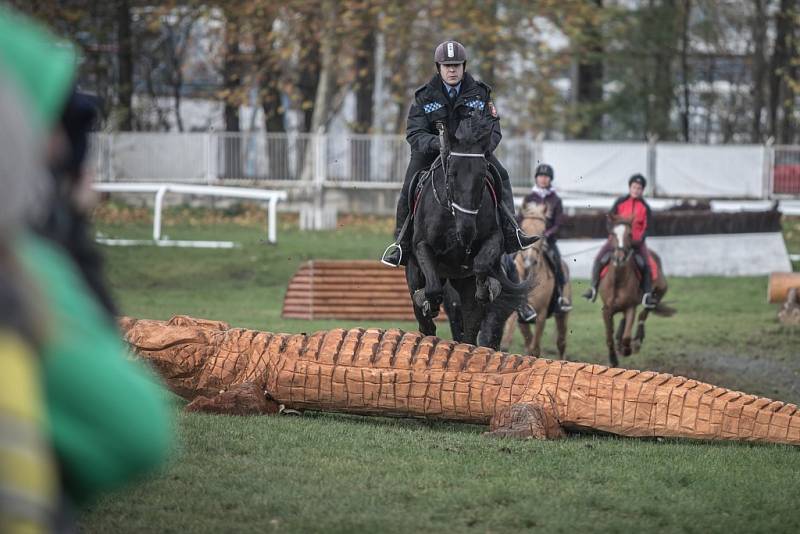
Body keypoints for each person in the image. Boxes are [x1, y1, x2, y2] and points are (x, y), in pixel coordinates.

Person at [0, 4, 173, 514]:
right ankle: (402, 240)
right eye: (54, 135)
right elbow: (135, 432)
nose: (63, 149)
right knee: (415, 180)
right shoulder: (425, 102)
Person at [381, 40, 537, 267]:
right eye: (447, 65)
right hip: (432, 154)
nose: (452, 70)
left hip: (471, 155)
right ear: (439, 68)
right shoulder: (424, 96)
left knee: (501, 174)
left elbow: (493, 130)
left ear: (464, 66)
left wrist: (479, 149)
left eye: (456, 65)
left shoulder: (480, 93)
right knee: (409, 184)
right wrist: (439, 144)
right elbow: (414, 133)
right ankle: (401, 244)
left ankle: (512, 232)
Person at [582, 173, 658, 308]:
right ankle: (593, 289)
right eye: (634, 187)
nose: (636, 190)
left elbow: (648, 228)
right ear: (630, 187)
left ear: (642, 190)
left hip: (636, 243)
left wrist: (639, 240)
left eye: (639, 188)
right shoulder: (620, 202)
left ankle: (647, 295)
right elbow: (610, 220)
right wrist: (613, 234)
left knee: (646, 265)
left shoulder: (645, 207)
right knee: (599, 259)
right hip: (616, 240)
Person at [518, 163, 572, 320]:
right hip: (528, 241)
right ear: (536, 178)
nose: (543, 179)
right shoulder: (529, 198)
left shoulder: (555, 200)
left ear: (550, 180)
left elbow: (558, 223)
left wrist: (546, 234)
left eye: (546, 177)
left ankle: (561, 296)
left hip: (547, 240)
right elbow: (521, 219)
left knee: (557, 262)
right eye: (540, 176)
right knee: (511, 261)